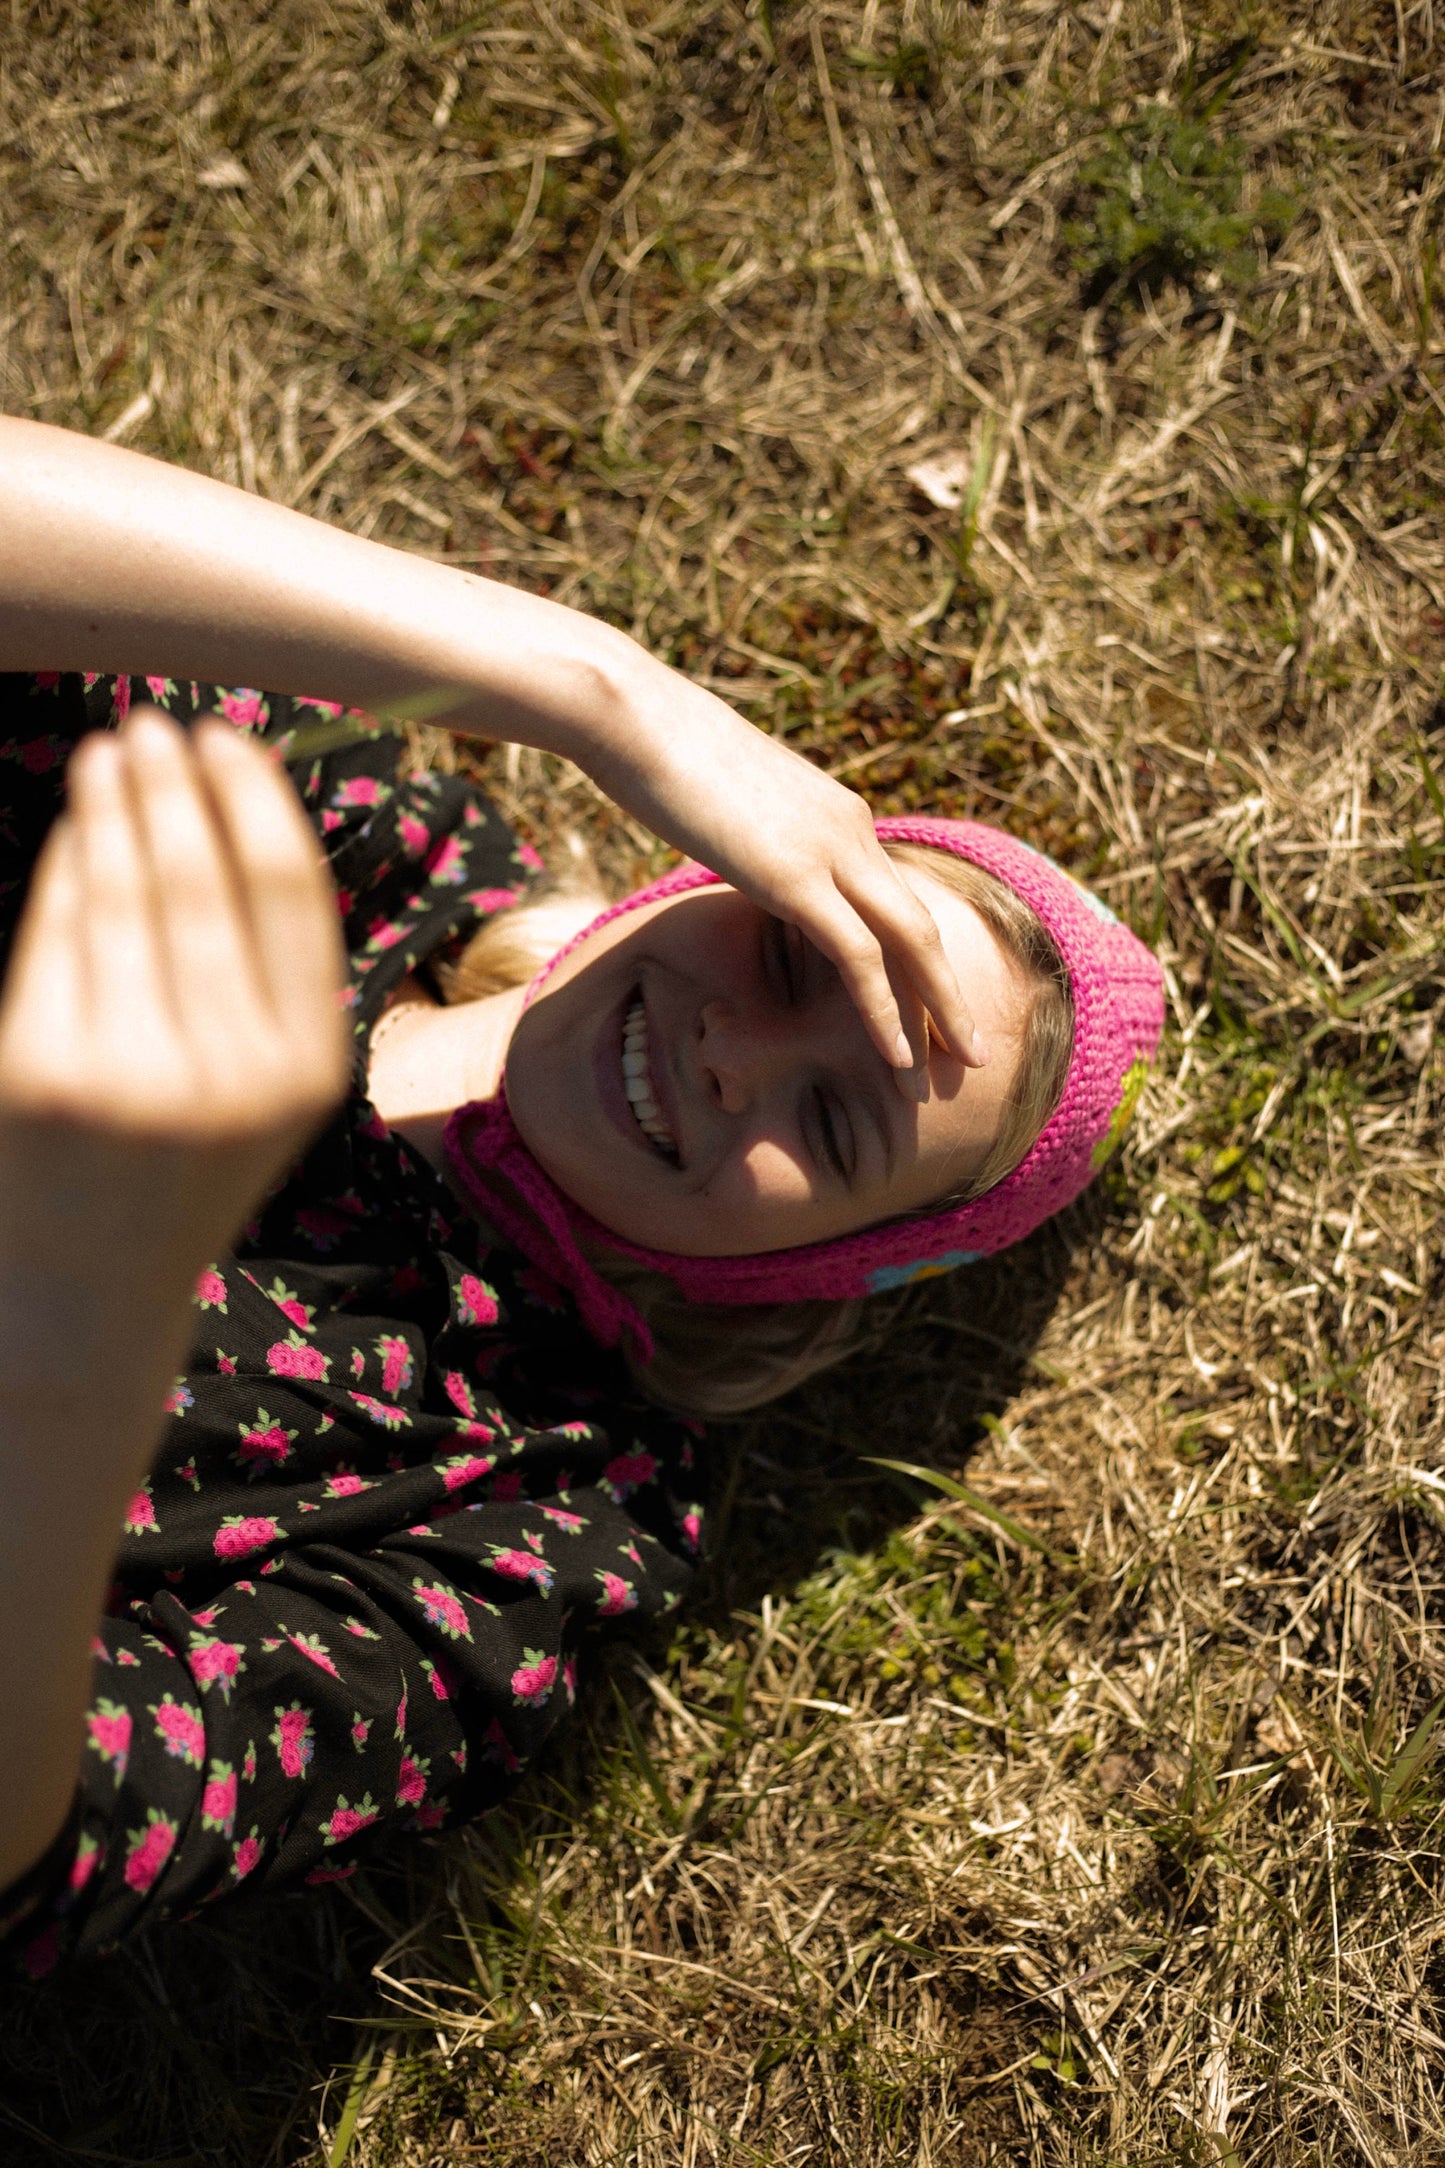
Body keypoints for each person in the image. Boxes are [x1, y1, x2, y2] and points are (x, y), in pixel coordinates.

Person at [0, 421, 1163, 1974]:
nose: (731, 1058)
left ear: (828, 1263)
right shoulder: (328, 847)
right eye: (791, 953)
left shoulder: (531, 1520)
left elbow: (54, 1839)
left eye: (831, 1123)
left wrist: (76, 1337)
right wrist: (596, 688)